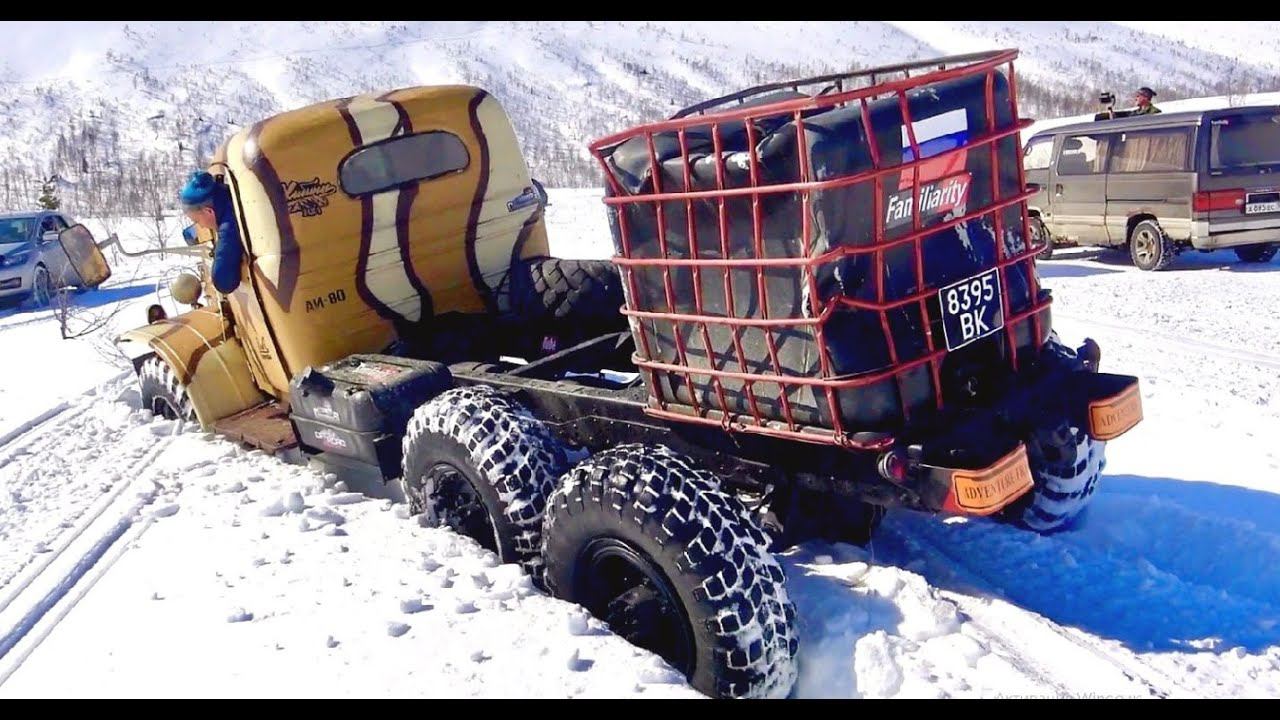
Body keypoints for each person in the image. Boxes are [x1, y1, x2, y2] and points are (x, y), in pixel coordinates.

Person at [179, 170, 243, 294]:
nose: (201, 226)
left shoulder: (228, 229)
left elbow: (224, 283)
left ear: (209, 211)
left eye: (197, 220)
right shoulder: (229, 195)